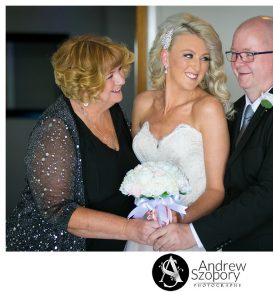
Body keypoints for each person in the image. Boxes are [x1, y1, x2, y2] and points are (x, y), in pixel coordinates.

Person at [150, 16, 273, 251]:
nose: (239, 64)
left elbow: (270, 195)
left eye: (249, 54)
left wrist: (194, 234)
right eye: (235, 54)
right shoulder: (233, 111)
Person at [6, 35, 160, 251]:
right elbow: (58, 211)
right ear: (85, 83)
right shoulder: (55, 128)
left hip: (114, 247)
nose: (122, 80)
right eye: (110, 75)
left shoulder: (113, 110)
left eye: (120, 70)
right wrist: (129, 228)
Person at [125, 12, 232, 251]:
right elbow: (140, 170)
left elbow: (216, 190)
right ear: (165, 56)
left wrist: (179, 219)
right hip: (144, 230)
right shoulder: (143, 103)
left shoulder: (208, 109)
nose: (198, 66)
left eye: (205, 58)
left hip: (186, 233)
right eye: (188, 55)